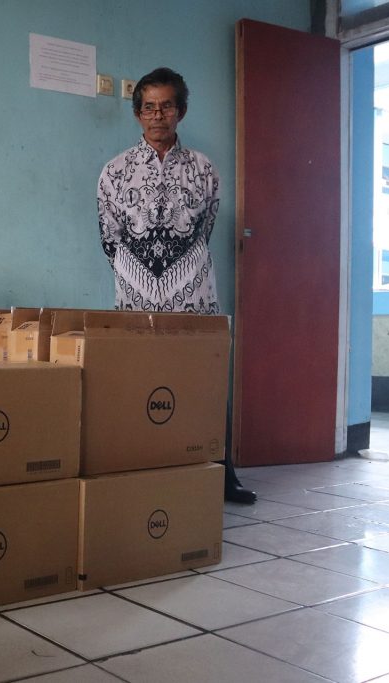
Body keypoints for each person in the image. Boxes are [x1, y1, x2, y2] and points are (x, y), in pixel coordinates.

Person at [96, 67, 256, 504]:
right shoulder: (114, 172)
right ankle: (147, 467)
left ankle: (221, 474)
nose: (157, 115)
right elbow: (109, 237)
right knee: (140, 379)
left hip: (194, 291)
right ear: (137, 113)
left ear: (181, 111)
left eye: (166, 106)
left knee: (203, 376)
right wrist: (142, 278)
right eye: (148, 107)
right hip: (135, 294)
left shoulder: (205, 170)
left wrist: (181, 273)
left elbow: (205, 230)